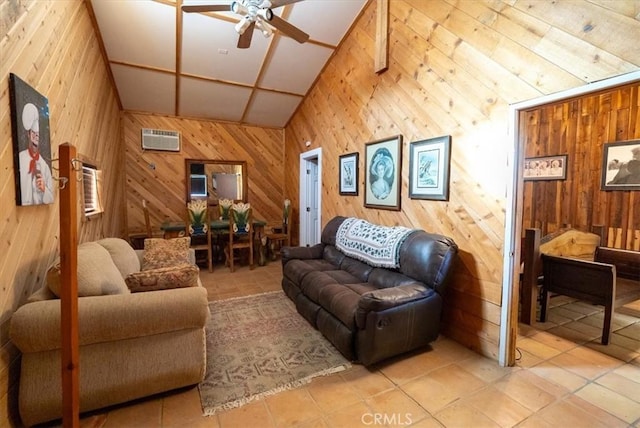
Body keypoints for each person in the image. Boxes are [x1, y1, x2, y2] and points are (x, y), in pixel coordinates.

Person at [18, 103, 54, 205]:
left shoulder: (44, 166)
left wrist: (44, 189)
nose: (35, 138)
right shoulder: (20, 159)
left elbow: (51, 198)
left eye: (37, 135)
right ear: (28, 134)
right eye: (33, 134)